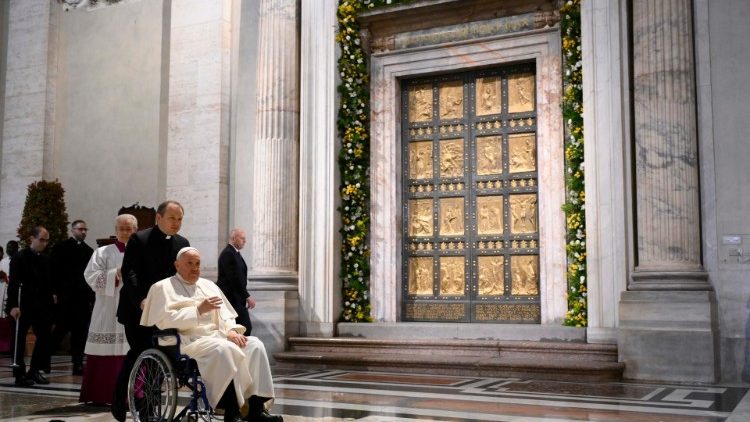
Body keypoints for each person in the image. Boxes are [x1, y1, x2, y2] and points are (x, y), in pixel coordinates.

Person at [141, 247, 283, 422]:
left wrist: (231, 330)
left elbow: (226, 315)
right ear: (177, 265)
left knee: (254, 344)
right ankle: (232, 411)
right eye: (189, 263)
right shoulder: (162, 287)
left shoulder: (209, 286)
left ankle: (255, 409)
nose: (195, 268)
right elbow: (164, 321)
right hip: (189, 341)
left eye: (198, 263)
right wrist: (198, 311)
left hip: (219, 336)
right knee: (224, 350)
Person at [111, 200, 189, 422]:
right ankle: (119, 395)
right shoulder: (140, 239)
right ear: (159, 218)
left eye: (180, 219)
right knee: (139, 352)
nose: (176, 223)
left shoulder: (182, 243)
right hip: (138, 309)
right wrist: (142, 300)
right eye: (172, 218)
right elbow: (130, 273)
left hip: (166, 311)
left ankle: (148, 407)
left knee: (161, 355)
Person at [79, 214, 138, 405]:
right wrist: (115, 274)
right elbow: (90, 275)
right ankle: (100, 394)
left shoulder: (141, 251)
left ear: (135, 230)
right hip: (107, 307)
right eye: (121, 228)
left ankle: (131, 396)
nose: (125, 232)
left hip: (133, 308)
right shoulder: (103, 252)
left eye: (129, 229)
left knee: (132, 348)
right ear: (115, 230)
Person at [6, 226, 54, 386]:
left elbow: (48, 285)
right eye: (41, 240)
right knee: (19, 340)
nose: (44, 243)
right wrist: (12, 306)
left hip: (41, 307)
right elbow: (13, 284)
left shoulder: (45, 259)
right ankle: (19, 374)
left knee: (44, 339)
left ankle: (34, 371)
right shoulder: (19, 257)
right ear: (32, 239)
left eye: (46, 240)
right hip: (22, 305)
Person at [51, 219, 95, 375]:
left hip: (82, 299)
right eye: (80, 229)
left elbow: (91, 276)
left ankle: (77, 364)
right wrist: (55, 292)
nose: (83, 232)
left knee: (80, 333)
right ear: (72, 230)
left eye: (85, 229)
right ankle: (43, 361)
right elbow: (53, 272)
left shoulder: (89, 251)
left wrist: (91, 298)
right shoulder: (60, 248)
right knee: (59, 331)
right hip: (65, 298)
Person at [217, 228, 253, 334]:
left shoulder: (234, 253)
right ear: (233, 238)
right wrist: (247, 296)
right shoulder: (228, 253)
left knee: (241, 329)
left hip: (236, 299)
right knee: (245, 328)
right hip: (231, 299)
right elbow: (234, 279)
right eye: (242, 238)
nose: (245, 241)